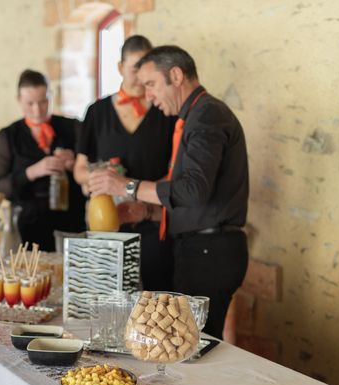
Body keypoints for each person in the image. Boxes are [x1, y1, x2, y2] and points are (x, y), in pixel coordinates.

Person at [89, 45, 249, 339]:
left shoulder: (208, 115)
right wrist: (147, 211)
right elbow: (194, 194)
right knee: (184, 347)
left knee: (191, 350)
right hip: (200, 249)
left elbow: (192, 191)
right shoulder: (194, 117)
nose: (147, 95)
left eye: (151, 84)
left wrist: (126, 186)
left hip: (209, 253)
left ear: (175, 75)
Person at [74, 35, 177, 291]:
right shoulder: (97, 112)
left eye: (146, 68)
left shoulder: (165, 111)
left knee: (155, 297)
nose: (141, 76)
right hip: (107, 221)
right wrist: (100, 178)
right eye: (134, 68)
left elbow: (176, 173)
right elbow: (78, 170)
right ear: (120, 68)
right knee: (107, 296)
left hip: (153, 221)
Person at [0, 69, 86, 252]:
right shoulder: (9, 136)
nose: (37, 110)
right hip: (27, 228)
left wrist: (74, 165)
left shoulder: (73, 127)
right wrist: (32, 171)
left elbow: (93, 170)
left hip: (71, 223)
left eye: (43, 102)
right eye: (30, 103)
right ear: (18, 100)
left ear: (51, 96)